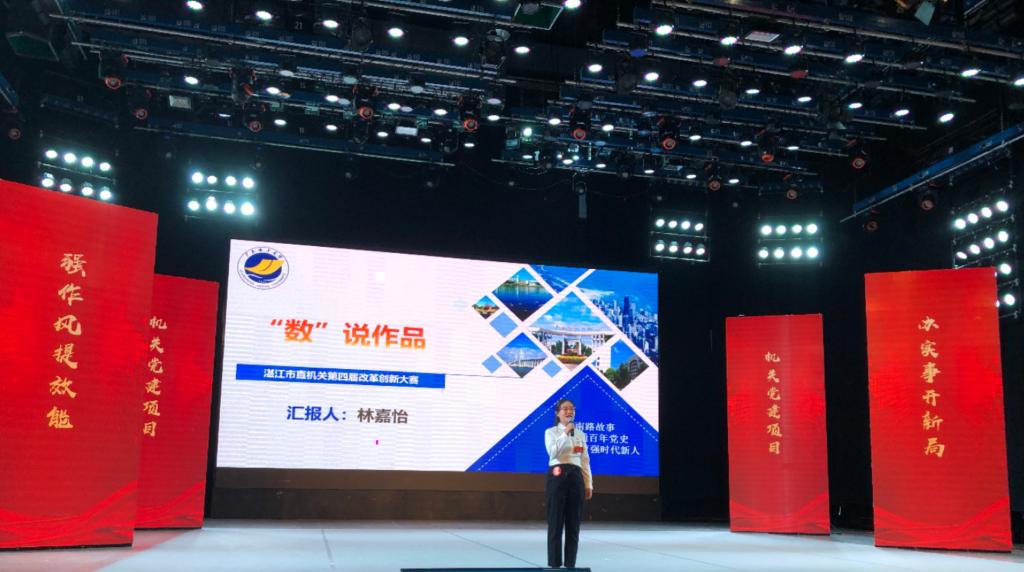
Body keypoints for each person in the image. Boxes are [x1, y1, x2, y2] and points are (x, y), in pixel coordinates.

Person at [544, 398, 592, 569]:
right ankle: (555, 564)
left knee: (573, 524)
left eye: (572, 409)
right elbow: (553, 453)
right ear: (557, 413)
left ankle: (571, 564)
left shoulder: (580, 435)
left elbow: (585, 460)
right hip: (557, 476)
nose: (569, 411)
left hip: (576, 477)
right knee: (555, 522)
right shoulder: (550, 432)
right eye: (565, 409)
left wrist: (588, 484)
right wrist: (565, 433)